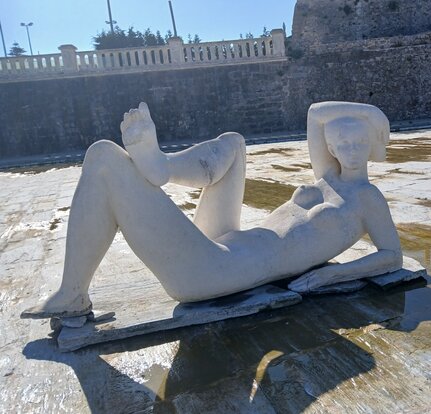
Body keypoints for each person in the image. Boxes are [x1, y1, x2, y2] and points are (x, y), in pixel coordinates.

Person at [21, 101, 403, 319]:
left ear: (371, 144)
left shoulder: (367, 198)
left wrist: (331, 276)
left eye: (358, 142)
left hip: (217, 271)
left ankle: (72, 293)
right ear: (331, 147)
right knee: (234, 143)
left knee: (103, 156)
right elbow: (316, 114)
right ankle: (162, 166)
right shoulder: (327, 177)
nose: (349, 150)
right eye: (341, 143)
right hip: (223, 243)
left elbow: (391, 256)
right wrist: (370, 112)